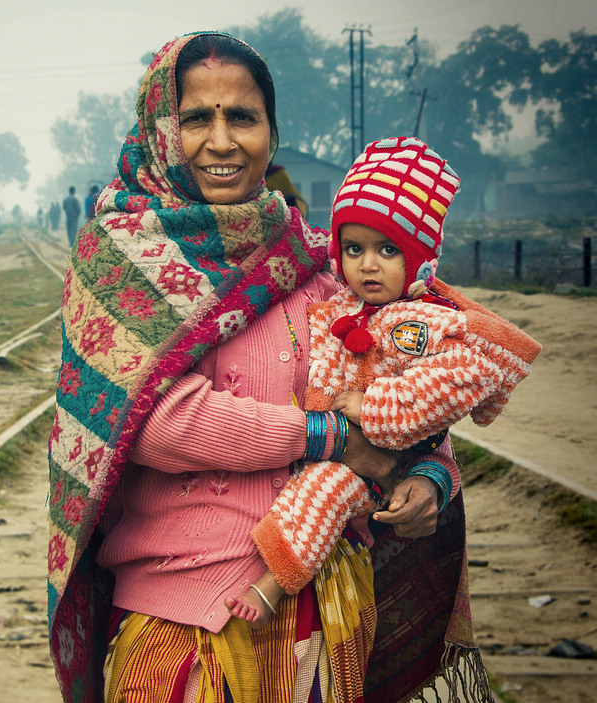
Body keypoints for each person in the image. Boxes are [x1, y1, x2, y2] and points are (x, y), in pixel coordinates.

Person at [48, 33, 474, 703]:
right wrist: (330, 435)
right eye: (197, 118)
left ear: (271, 132)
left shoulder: (319, 260)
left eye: (242, 117)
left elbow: (406, 388)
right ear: (162, 131)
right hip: (181, 624)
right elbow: (154, 422)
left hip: (328, 621)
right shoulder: (122, 259)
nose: (221, 141)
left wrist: (430, 476)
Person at [225, 138, 542, 648]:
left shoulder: (412, 319)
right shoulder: (338, 303)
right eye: (354, 250)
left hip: (354, 486)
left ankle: (270, 585)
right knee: (318, 492)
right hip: (220, 534)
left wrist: (426, 471)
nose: (368, 265)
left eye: (388, 250)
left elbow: (448, 392)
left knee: (323, 495)